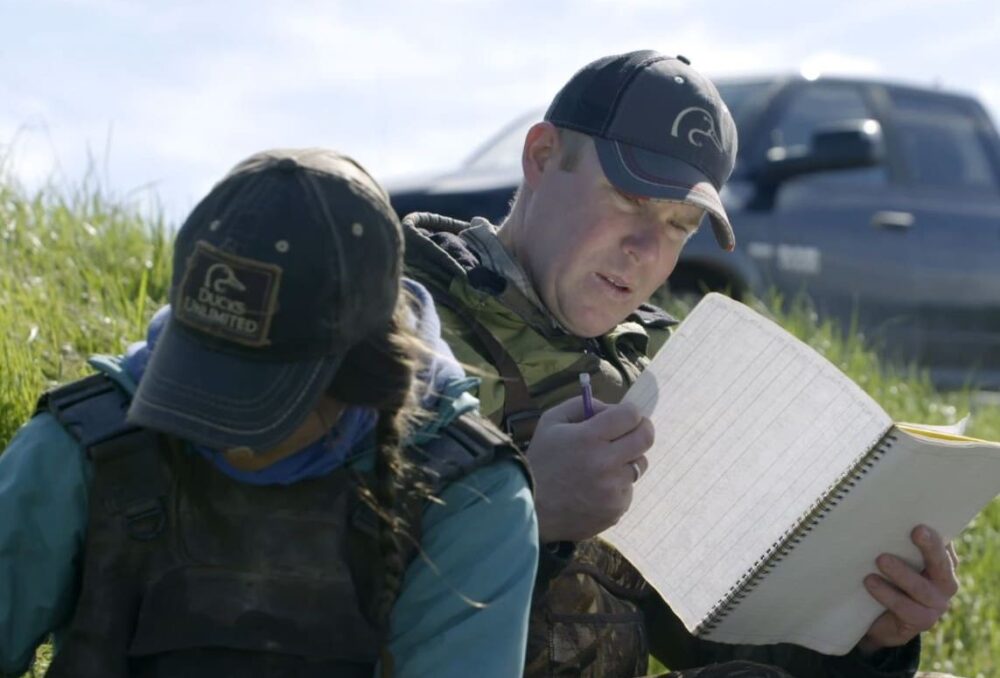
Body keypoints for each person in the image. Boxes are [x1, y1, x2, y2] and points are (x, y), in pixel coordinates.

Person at [403, 50, 959, 678]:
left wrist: (866, 636)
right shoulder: (399, 333)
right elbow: (315, 596)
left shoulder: (663, 368)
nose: (645, 249)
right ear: (541, 156)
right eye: (627, 199)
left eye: (677, 225)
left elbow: (704, 633)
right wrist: (527, 507)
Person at [0, 148, 539, 678]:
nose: (218, 430)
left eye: (253, 398)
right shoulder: (77, 448)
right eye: (197, 384)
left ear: (364, 376)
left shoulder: (470, 499)